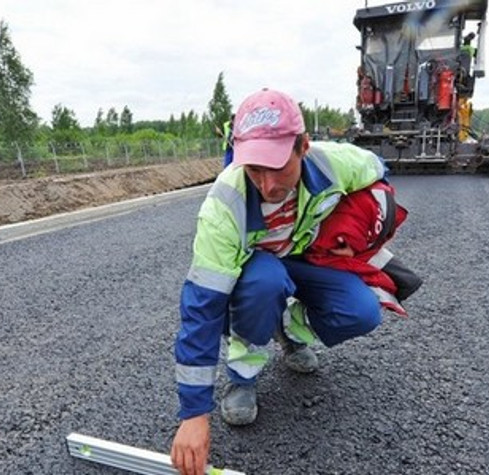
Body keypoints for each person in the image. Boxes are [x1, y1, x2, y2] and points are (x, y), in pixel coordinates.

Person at [170, 88, 418, 475]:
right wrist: (193, 414)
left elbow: (378, 174)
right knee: (264, 282)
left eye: (277, 167)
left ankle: (287, 328)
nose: (267, 186)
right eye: (254, 170)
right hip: (261, 272)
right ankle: (244, 375)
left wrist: (360, 229)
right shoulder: (223, 207)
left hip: (307, 258)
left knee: (363, 311)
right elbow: (202, 310)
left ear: (303, 146)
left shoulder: (336, 163)